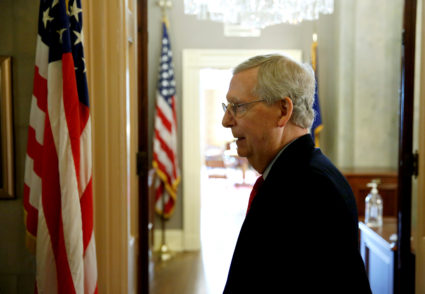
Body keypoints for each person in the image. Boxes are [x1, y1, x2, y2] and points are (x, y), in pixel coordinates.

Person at [221, 54, 371, 293]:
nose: (226, 120)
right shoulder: (298, 173)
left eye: (238, 107)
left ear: (283, 110)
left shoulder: (311, 187)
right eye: (227, 107)